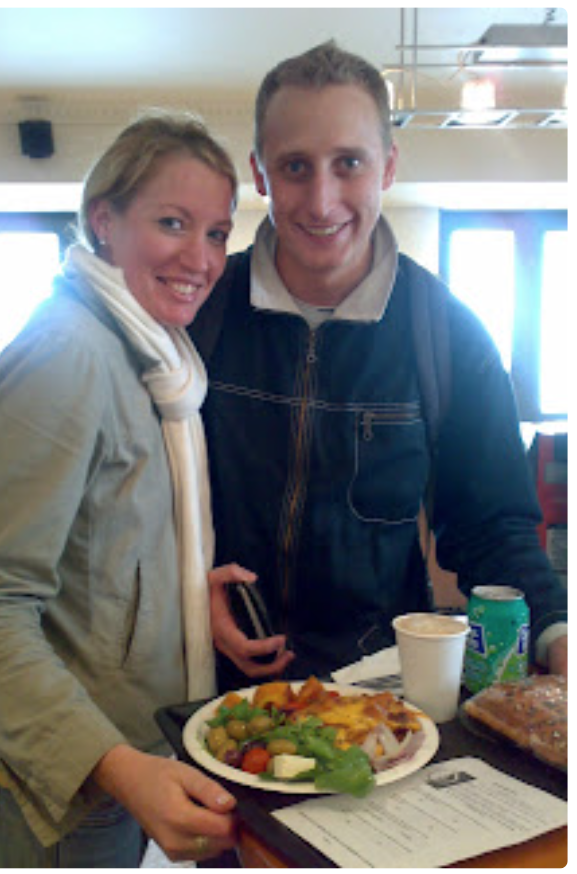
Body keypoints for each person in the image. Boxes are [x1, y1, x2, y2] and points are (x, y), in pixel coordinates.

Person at [191, 41, 568, 690]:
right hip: (208, 686)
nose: (321, 199)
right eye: (295, 167)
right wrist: (182, 596)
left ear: (388, 166)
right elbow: (128, 508)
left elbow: (493, 529)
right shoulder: (196, 315)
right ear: (259, 173)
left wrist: (559, 633)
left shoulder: (448, 334)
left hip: (377, 699)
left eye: (349, 163)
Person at [0, 111, 240, 867]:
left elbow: (105, 555)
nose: (199, 257)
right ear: (103, 220)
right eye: (173, 222)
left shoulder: (156, 356)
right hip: (53, 792)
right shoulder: (64, 356)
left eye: (217, 233)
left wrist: (187, 601)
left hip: (124, 763)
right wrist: (115, 764)